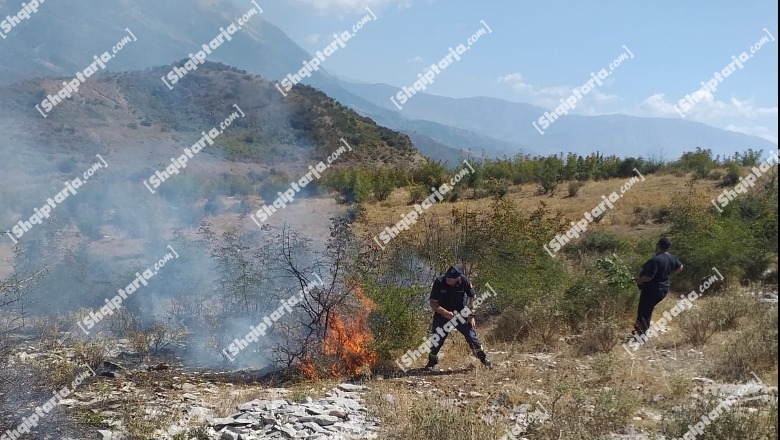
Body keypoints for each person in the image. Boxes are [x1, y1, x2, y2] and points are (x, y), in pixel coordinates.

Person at [425, 264, 493, 370]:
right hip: (442, 315)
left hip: (461, 314)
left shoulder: (464, 281)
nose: (448, 279)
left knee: (471, 337)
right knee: (437, 340)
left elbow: (473, 298)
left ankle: (484, 359)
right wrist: (445, 312)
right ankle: (432, 362)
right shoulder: (439, 281)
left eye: (451, 278)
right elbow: (433, 303)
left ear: (458, 278)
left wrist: (471, 315)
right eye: (447, 276)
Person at [633, 236, 683, 335]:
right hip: (664, 289)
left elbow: (648, 277)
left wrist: (636, 280)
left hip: (652, 289)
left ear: (658, 245)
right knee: (647, 309)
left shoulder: (655, 260)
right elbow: (680, 266)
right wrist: (669, 275)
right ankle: (639, 331)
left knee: (644, 311)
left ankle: (641, 335)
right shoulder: (671, 257)